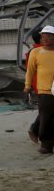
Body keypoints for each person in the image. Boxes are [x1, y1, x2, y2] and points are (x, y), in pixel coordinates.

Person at [24, 25, 54, 155]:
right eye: (43, 36)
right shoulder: (35, 53)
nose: (45, 39)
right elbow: (30, 71)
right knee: (45, 118)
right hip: (44, 91)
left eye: (48, 36)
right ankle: (46, 145)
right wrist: (27, 86)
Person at [24, 31, 43, 143]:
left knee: (46, 110)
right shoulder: (37, 51)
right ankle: (35, 129)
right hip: (42, 85)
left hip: (40, 85)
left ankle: (36, 130)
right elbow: (30, 70)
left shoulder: (34, 51)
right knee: (46, 110)